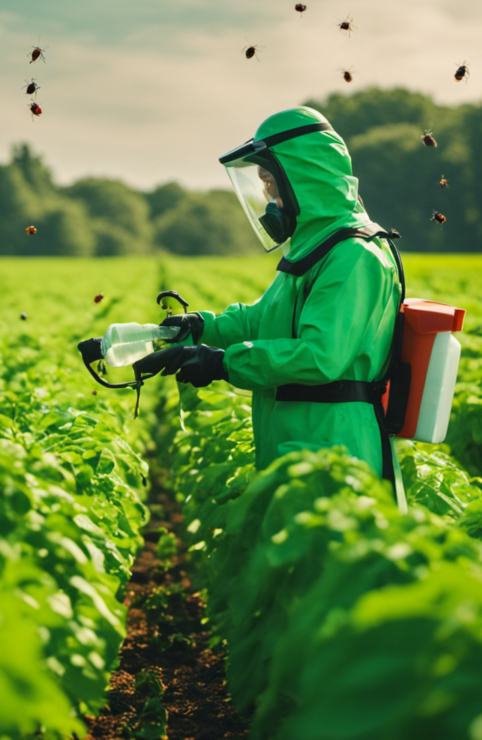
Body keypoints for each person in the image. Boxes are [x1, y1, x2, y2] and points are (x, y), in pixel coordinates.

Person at [135, 106, 406, 506]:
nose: (268, 197)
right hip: (305, 438)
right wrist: (200, 327)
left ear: (304, 176)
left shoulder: (353, 255)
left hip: (336, 444)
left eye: (271, 182)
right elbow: (262, 319)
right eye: (263, 185)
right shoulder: (317, 248)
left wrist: (222, 363)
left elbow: (320, 356)